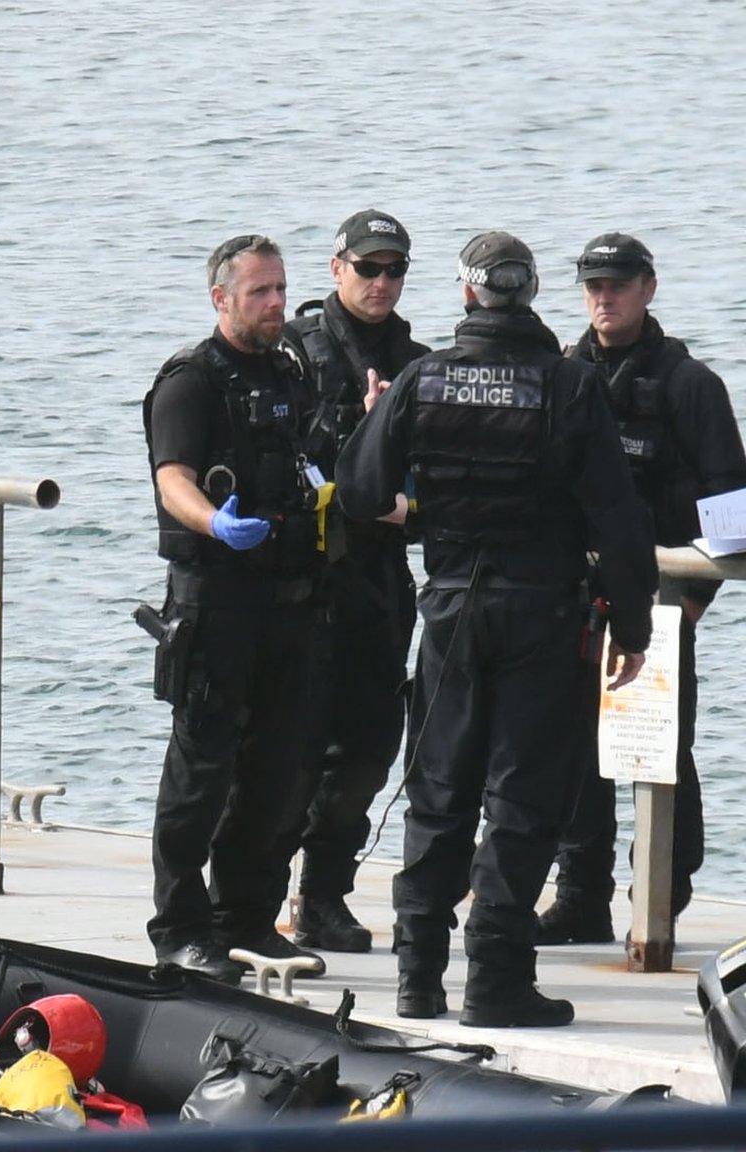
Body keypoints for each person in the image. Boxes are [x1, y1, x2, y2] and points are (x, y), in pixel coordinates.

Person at [334, 231, 656, 1028]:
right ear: (532, 293)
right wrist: (634, 622)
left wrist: (389, 439)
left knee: (438, 790)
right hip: (544, 615)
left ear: (468, 294)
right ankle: (496, 981)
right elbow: (620, 521)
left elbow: (360, 489)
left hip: (449, 608)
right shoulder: (571, 385)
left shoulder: (423, 377)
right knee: (522, 799)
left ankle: (417, 975)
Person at [538, 233, 746, 943]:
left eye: (618, 284)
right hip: (571, 600)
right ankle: (580, 897)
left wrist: (685, 610)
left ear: (648, 288)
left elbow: (732, 513)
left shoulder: (691, 387)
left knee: (662, 750)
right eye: (593, 285)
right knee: (573, 750)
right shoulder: (563, 374)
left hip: (661, 603)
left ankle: (665, 891)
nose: (604, 297)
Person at [141, 234, 329, 984]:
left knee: (279, 772)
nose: (278, 305)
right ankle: (180, 927)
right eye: (261, 293)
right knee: (202, 770)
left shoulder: (290, 373)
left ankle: (247, 916)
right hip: (214, 603)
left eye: (282, 289)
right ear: (222, 299)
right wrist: (213, 522)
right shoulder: (192, 381)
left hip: (288, 602)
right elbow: (172, 478)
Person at [285, 211, 429, 954]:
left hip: (379, 577)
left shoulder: (422, 361)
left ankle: (324, 892)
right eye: (367, 268)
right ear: (335, 266)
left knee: (370, 745)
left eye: (394, 270)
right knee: (289, 745)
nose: (380, 283)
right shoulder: (295, 353)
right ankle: (248, 893)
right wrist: (359, 437)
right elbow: (277, 455)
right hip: (304, 579)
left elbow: (439, 478)